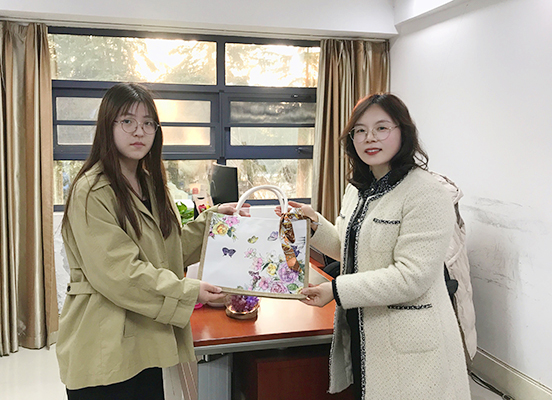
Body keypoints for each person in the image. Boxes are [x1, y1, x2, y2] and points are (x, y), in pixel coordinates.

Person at [56, 82, 248, 400]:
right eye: (127, 121)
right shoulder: (92, 191)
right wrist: (189, 292)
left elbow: (168, 250)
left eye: (148, 123)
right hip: (107, 346)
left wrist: (214, 222)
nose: (139, 131)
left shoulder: (150, 183)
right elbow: (120, 274)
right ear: (107, 126)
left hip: (146, 339)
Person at [280, 94, 471, 399]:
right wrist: (314, 224)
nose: (370, 138)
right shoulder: (358, 189)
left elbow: (411, 277)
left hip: (411, 341)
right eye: (360, 130)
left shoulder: (427, 193)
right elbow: (350, 249)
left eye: (381, 128)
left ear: (403, 132)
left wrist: (335, 290)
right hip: (364, 328)